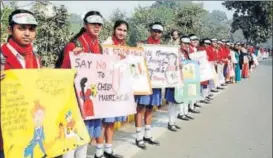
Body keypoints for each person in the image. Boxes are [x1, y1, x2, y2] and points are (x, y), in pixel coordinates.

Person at [60, 11, 106, 158]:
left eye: (99, 24)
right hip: (73, 97)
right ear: (85, 25)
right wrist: (72, 57)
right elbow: (63, 71)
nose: (97, 26)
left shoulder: (99, 46)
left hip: (91, 98)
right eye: (93, 23)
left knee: (85, 136)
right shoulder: (74, 45)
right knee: (72, 134)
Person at [0, 9, 41, 158]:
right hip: (5, 131)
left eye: (31, 29)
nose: (27, 33)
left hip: (29, 127)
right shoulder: (1, 55)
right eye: (21, 28)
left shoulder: (36, 57)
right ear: (9, 29)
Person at [100, 19, 131, 158]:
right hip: (105, 87)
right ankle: (99, 151)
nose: (121, 33)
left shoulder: (125, 47)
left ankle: (108, 149)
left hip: (118, 88)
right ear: (114, 30)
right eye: (119, 29)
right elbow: (101, 65)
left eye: (124, 31)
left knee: (111, 121)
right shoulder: (106, 45)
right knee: (102, 121)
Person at [134, 22, 163, 149]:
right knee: (140, 108)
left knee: (150, 108)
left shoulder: (163, 47)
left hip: (155, 82)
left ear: (162, 33)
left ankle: (148, 135)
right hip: (144, 82)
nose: (156, 33)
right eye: (154, 31)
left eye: (159, 31)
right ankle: (138, 137)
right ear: (151, 31)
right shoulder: (143, 44)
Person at [176, 36, 195, 121]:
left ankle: (185, 112)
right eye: (184, 43)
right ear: (180, 43)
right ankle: (180, 113)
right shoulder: (177, 52)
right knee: (180, 96)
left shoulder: (186, 52)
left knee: (186, 95)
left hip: (186, 76)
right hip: (179, 77)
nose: (186, 45)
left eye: (188, 43)